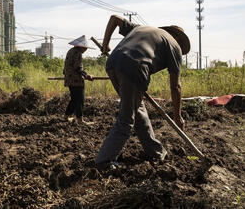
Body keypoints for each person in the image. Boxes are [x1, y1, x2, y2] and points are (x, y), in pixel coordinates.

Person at [95, 15, 190, 169]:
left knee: (138, 109)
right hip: (135, 68)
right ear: (178, 37)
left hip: (113, 63)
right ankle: (104, 160)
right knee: (126, 118)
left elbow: (114, 18)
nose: (181, 47)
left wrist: (105, 45)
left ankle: (156, 152)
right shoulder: (174, 45)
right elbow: (176, 87)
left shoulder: (142, 29)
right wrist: (177, 116)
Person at [63, 35, 94, 124]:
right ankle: (80, 120)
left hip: (69, 79)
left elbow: (67, 66)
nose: (86, 49)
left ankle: (66, 116)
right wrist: (87, 76)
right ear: (81, 46)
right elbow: (78, 68)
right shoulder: (77, 53)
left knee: (74, 99)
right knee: (80, 99)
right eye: (85, 48)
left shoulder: (70, 51)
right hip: (76, 80)